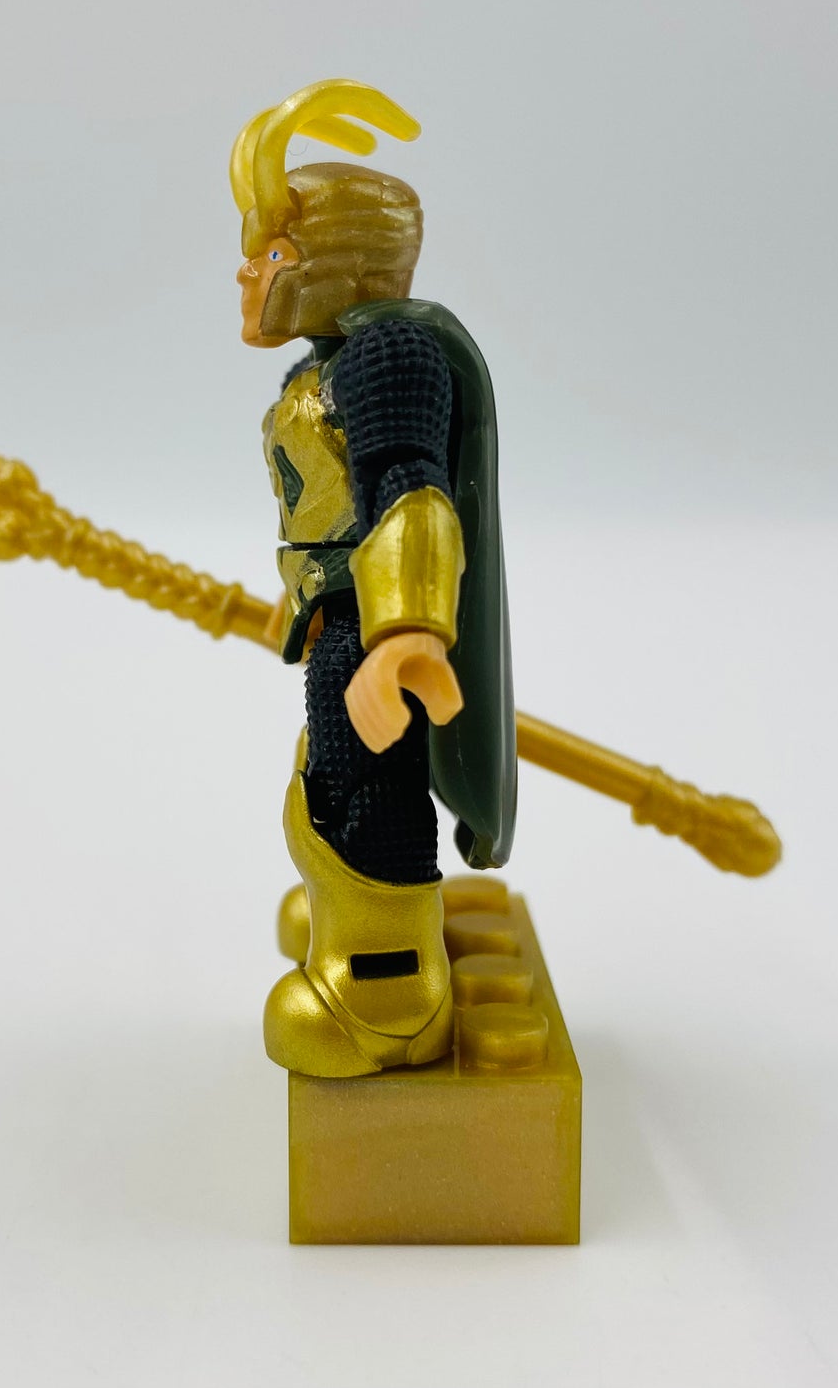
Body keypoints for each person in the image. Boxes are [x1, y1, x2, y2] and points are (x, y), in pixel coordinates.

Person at [233, 80, 516, 1077]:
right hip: (339, 615)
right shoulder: (321, 365)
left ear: (337, 266)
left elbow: (411, 491)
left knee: (368, 782)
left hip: (376, 624)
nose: (247, 274)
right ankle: (344, 914)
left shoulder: (387, 354)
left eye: (272, 255)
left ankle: (388, 991)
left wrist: (405, 633)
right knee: (333, 759)